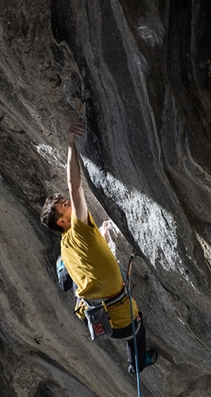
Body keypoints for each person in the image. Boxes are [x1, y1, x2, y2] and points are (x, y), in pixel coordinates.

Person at [40, 121, 157, 373]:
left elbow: (89, 261)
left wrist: (101, 241)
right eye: (65, 205)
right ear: (62, 221)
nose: (70, 202)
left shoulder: (67, 243)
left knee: (128, 326)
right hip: (116, 313)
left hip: (93, 315)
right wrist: (70, 143)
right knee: (137, 330)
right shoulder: (79, 228)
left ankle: (65, 275)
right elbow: (75, 185)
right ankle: (137, 363)